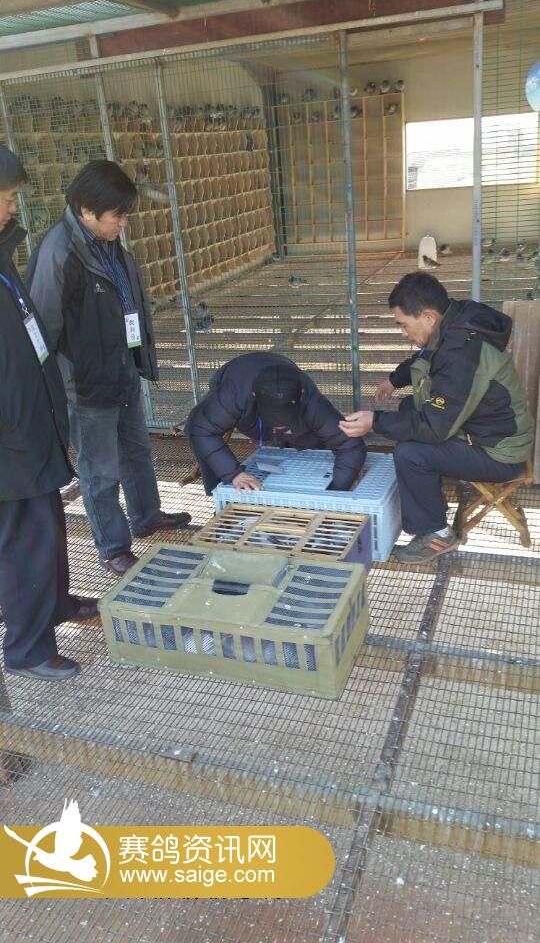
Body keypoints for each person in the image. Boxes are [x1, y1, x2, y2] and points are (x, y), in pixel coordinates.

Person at [26, 161, 191, 576]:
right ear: (87, 210)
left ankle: (146, 516)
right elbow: (43, 330)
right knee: (99, 471)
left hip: (122, 368)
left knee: (136, 451)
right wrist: (52, 388)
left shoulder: (105, 241)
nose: (124, 223)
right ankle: (113, 548)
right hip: (86, 384)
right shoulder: (58, 254)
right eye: (117, 215)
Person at [339, 271, 534, 564]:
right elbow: (424, 358)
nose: (402, 333)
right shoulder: (455, 324)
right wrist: (394, 379)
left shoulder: (461, 354)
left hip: (500, 453)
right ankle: (431, 502)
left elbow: (434, 428)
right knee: (409, 409)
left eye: (403, 324)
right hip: (485, 431)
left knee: (411, 453)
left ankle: (437, 534)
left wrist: (374, 421)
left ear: (428, 317)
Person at [0, 145, 98, 682]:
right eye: (6, 196)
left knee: (49, 525)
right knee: (22, 542)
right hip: (9, 439)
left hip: (31, 419)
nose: (13, 206)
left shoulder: (3, 256)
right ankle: (27, 648)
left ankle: (55, 604)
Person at [185, 352, 367, 493]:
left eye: (285, 418)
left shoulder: (312, 402)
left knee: (312, 443)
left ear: (301, 394)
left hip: (282, 383)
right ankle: (220, 497)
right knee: (197, 431)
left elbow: (350, 444)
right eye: (273, 416)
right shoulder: (232, 395)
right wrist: (234, 474)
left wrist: (335, 491)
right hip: (236, 376)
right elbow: (200, 429)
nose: (279, 425)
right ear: (254, 395)